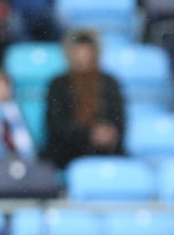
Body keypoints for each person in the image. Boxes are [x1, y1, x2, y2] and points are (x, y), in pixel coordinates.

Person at [42, 29, 125, 170]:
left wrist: (109, 133)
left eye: (87, 52)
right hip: (68, 152)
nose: (83, 57)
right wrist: (89, 134)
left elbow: (119, 121)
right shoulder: (58, 85)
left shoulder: (109, 83)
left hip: (104, 151)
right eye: (78, 52)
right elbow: (56, 125)